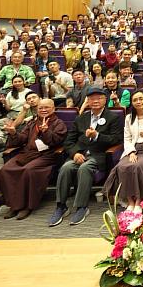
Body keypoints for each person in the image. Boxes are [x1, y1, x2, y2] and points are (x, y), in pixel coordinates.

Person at [49, 88, 122, 227]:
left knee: (85, 168)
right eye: (91, 98)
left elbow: (116, 140)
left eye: (99, 98)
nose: (95, 101)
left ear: (105, 100)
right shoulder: (81, 118)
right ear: (87, 101)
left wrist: (97, 136)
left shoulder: (113, 117)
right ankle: (61, 206)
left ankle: (81, 207)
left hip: (98, 155)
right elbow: (69, 141)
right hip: (79, 154)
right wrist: (75, 153)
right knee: (65, 167)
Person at [0, 98, 66, 220]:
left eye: (46, 107)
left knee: (28, 170)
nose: (43, 110)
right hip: (28, 154)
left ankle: (27, 206)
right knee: (5, 170)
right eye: (40, 108)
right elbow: (21, 139)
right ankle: (14, 205)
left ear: (53, 109)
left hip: (47, 156)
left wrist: (46, 131)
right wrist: (13, 133)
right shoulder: (32, 123)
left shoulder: (59, 123)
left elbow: (57, 141)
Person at [104, 91, 143, 212]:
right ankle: (130, 201)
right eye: (135, 100)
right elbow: (127, 138)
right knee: (122, 166)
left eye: (141, 99)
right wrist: (130, 152)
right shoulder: (128, 117)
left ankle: (140, 200)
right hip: (133, 149)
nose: (138, 102)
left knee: (139, 165)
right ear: (132, 102)